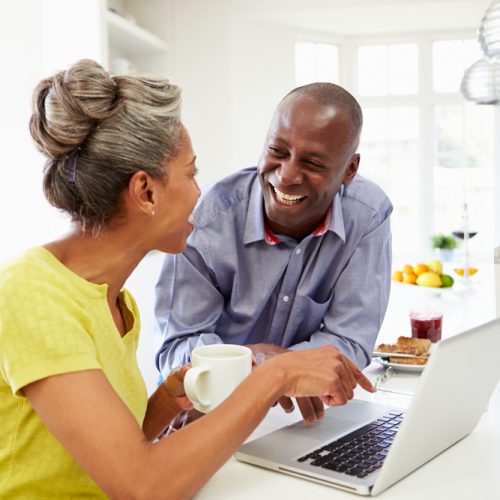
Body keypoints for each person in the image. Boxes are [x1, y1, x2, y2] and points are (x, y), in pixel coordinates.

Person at [0, 60, 376, 498]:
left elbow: (97, 459)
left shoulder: (116, 303)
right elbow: (144, 486)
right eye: (191, 172)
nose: (201, 193)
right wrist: (275, 375)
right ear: (146, 192)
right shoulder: (33, 295)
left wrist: (161, 407)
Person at [155, 82, 393, 424]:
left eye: (312, 162)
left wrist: (282, 369)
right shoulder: (206, 219)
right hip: (209, 419)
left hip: (301, 419)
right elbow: (174, 352)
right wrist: (260, 365)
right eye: (277, 151)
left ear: (349, 170)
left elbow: (350, 341)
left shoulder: (368, 215)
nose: (287, 175)